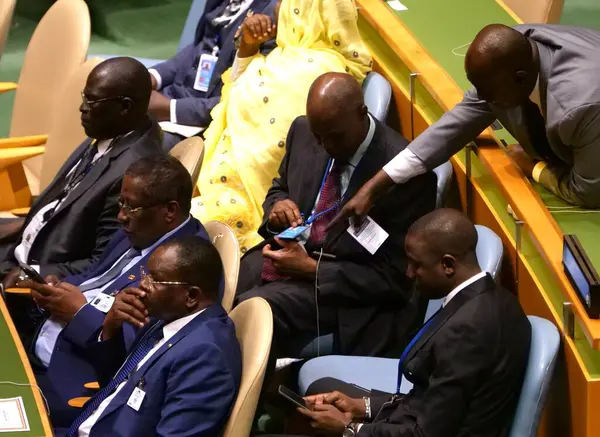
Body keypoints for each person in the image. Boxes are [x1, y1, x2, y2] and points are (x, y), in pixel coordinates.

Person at [267, 209, 531, 437]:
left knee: (318, 420)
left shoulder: (466, 331)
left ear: (447, 265)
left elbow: (425, 433)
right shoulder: (495, 299)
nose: (409, 274)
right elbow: (429, 399)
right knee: (321, 393)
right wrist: (362, 406)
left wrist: (349, 430)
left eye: (416, 265)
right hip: (429, 419)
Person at [236, 72, 436, 359]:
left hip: (343, 289)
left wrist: (312, 269)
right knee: (220, 285)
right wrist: (278, 209)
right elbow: (279, 189)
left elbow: (396, 279)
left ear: (361, 113)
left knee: (252, 309)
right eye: (319, 137)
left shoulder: (406, 177)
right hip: (290, 253)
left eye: (335, 136)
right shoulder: (305, 131)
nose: (326, 146)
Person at [333, 24, 600, 227]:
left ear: (520, 79)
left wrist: (533, 167)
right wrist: (376, 184)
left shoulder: (580, 109)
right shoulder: (517, 52)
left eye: (487, 92)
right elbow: (455, 125)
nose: (481, 99)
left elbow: (587, 191)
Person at [16, 155, 209, 429]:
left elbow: (139, 350)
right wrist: (60, 288)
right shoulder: (137, 231)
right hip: (39, 347)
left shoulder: (180, 267)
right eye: (121, 203)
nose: (121, 216)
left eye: (132, 207)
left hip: (74, 384)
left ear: (170, 211)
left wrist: (79, 313)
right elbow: (95, 276)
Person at [189, 0, 372, 253]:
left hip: (247, 194)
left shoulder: (313, 72)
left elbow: (268, 152)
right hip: (216, 174)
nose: (276, 7)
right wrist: (248, 47)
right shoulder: (287, 54)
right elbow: (235, 96)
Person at [0, 57, 164, 289]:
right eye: (84, 97)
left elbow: (103, 264)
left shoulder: (135, 174)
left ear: (124, 107)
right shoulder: (112, 131)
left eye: (92, 100)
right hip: (23, 247)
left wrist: (31, 275)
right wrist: (22, 226)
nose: (82, 107)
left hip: (38, 279)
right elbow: (62, 203)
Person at [61, 236, 241, 437]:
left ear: (191, 296)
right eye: (145, 274)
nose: (142, 285)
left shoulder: (206, 356)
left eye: (155, 280)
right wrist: (111, 327)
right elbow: (115, 383)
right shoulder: (167, 317)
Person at [147, 0, 278, 148]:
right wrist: (152, 76)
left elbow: (245, 96)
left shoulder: (272, 16)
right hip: (170, 96)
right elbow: (200, 46)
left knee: (149, 145)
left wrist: (171, 109)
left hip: (204, 121)